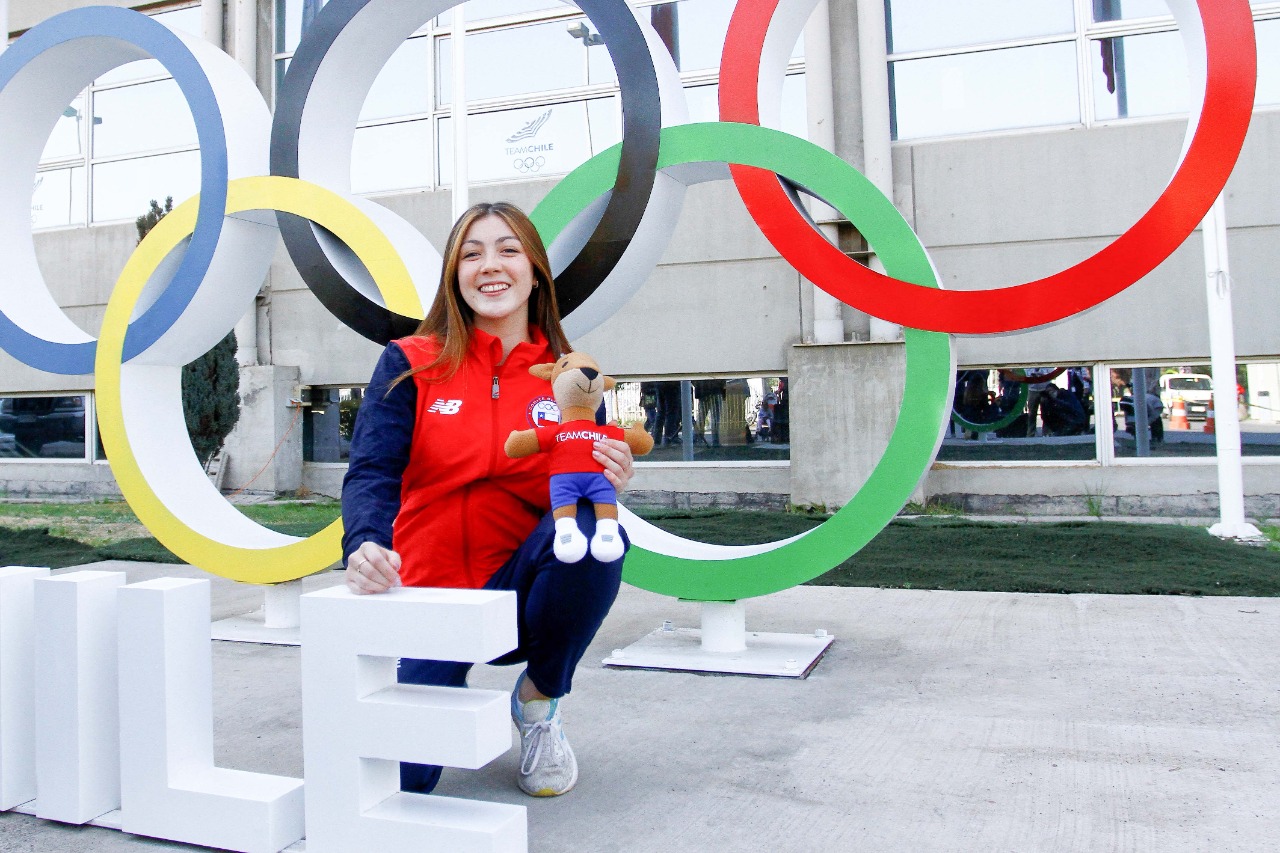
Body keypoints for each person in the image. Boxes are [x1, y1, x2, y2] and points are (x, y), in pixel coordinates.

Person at [340, 202, 636, 799]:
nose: (489, 265)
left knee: (589, 531)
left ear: (534, 271)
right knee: (396, 788)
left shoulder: (571, 379)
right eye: (471, 253)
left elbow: (578, 484)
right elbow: (372, 469)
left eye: (507, 249)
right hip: (427, 592)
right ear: (454, 274)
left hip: (518, 593)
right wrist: (365, 541)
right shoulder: (409, 363)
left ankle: (538, 700)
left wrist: (610, 480)